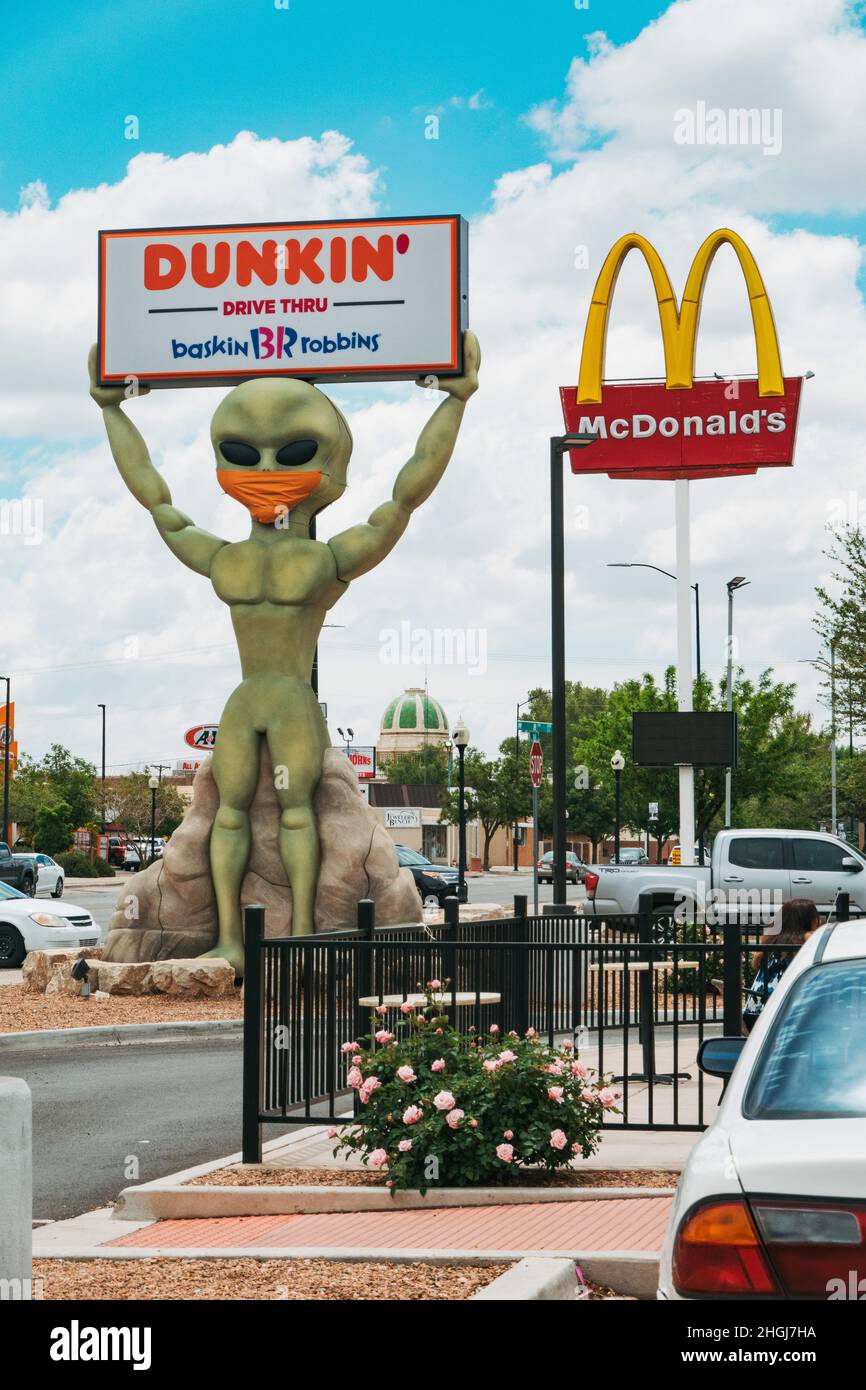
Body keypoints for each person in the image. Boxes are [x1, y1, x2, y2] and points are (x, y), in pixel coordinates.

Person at [742, 898, 821, 1033]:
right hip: (774, 1019)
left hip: (752, 1016)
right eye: (816, 917)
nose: (819, 921)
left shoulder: (773, 941)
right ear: (807, 920)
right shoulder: (802, 942)